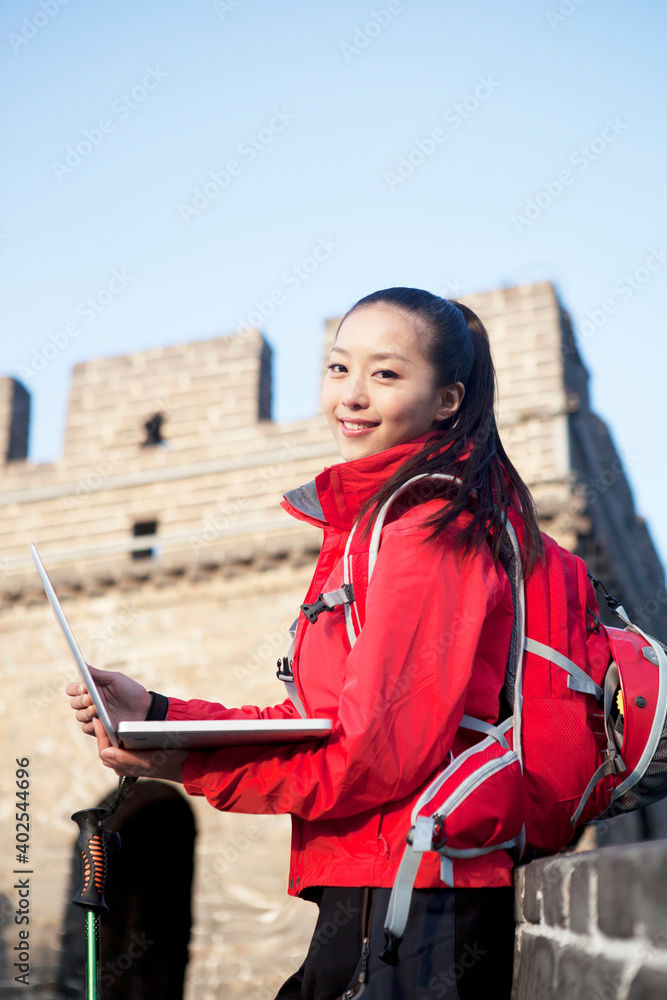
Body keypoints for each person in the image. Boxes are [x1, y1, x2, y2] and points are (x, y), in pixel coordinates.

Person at [67, 287, 543, 1000]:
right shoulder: (370, 525)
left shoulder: (425, 528)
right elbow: (325, 725)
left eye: (384, 373)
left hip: (418, 888)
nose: (350, 395)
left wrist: (184, 762)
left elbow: (369, 757)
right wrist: (162, 712)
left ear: (446, 399)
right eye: (337, 368)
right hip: (378, 882)